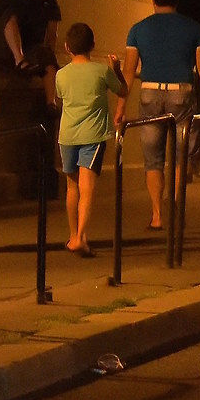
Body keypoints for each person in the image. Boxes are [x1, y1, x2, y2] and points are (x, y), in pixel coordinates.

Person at [122, 0, 200, 231]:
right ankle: (175, 201)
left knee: (153, 159)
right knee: (183, 155)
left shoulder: (138, 29)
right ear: (177, 0)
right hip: (181, 92)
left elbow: (129, 72)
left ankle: (157, 214)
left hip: (150, 92)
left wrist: (120, 105)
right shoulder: (193, 28)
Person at [51, 22, 126, 257]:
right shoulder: (101, 72)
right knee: (87, 186)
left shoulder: (60, 74)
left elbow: (60, 99)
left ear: (67, 47)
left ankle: (73, 236)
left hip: (67, 136)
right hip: (92, 135)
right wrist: (116, 69)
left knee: (71, 186)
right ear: (92, 45)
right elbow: (123, 90)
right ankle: (82, 238)